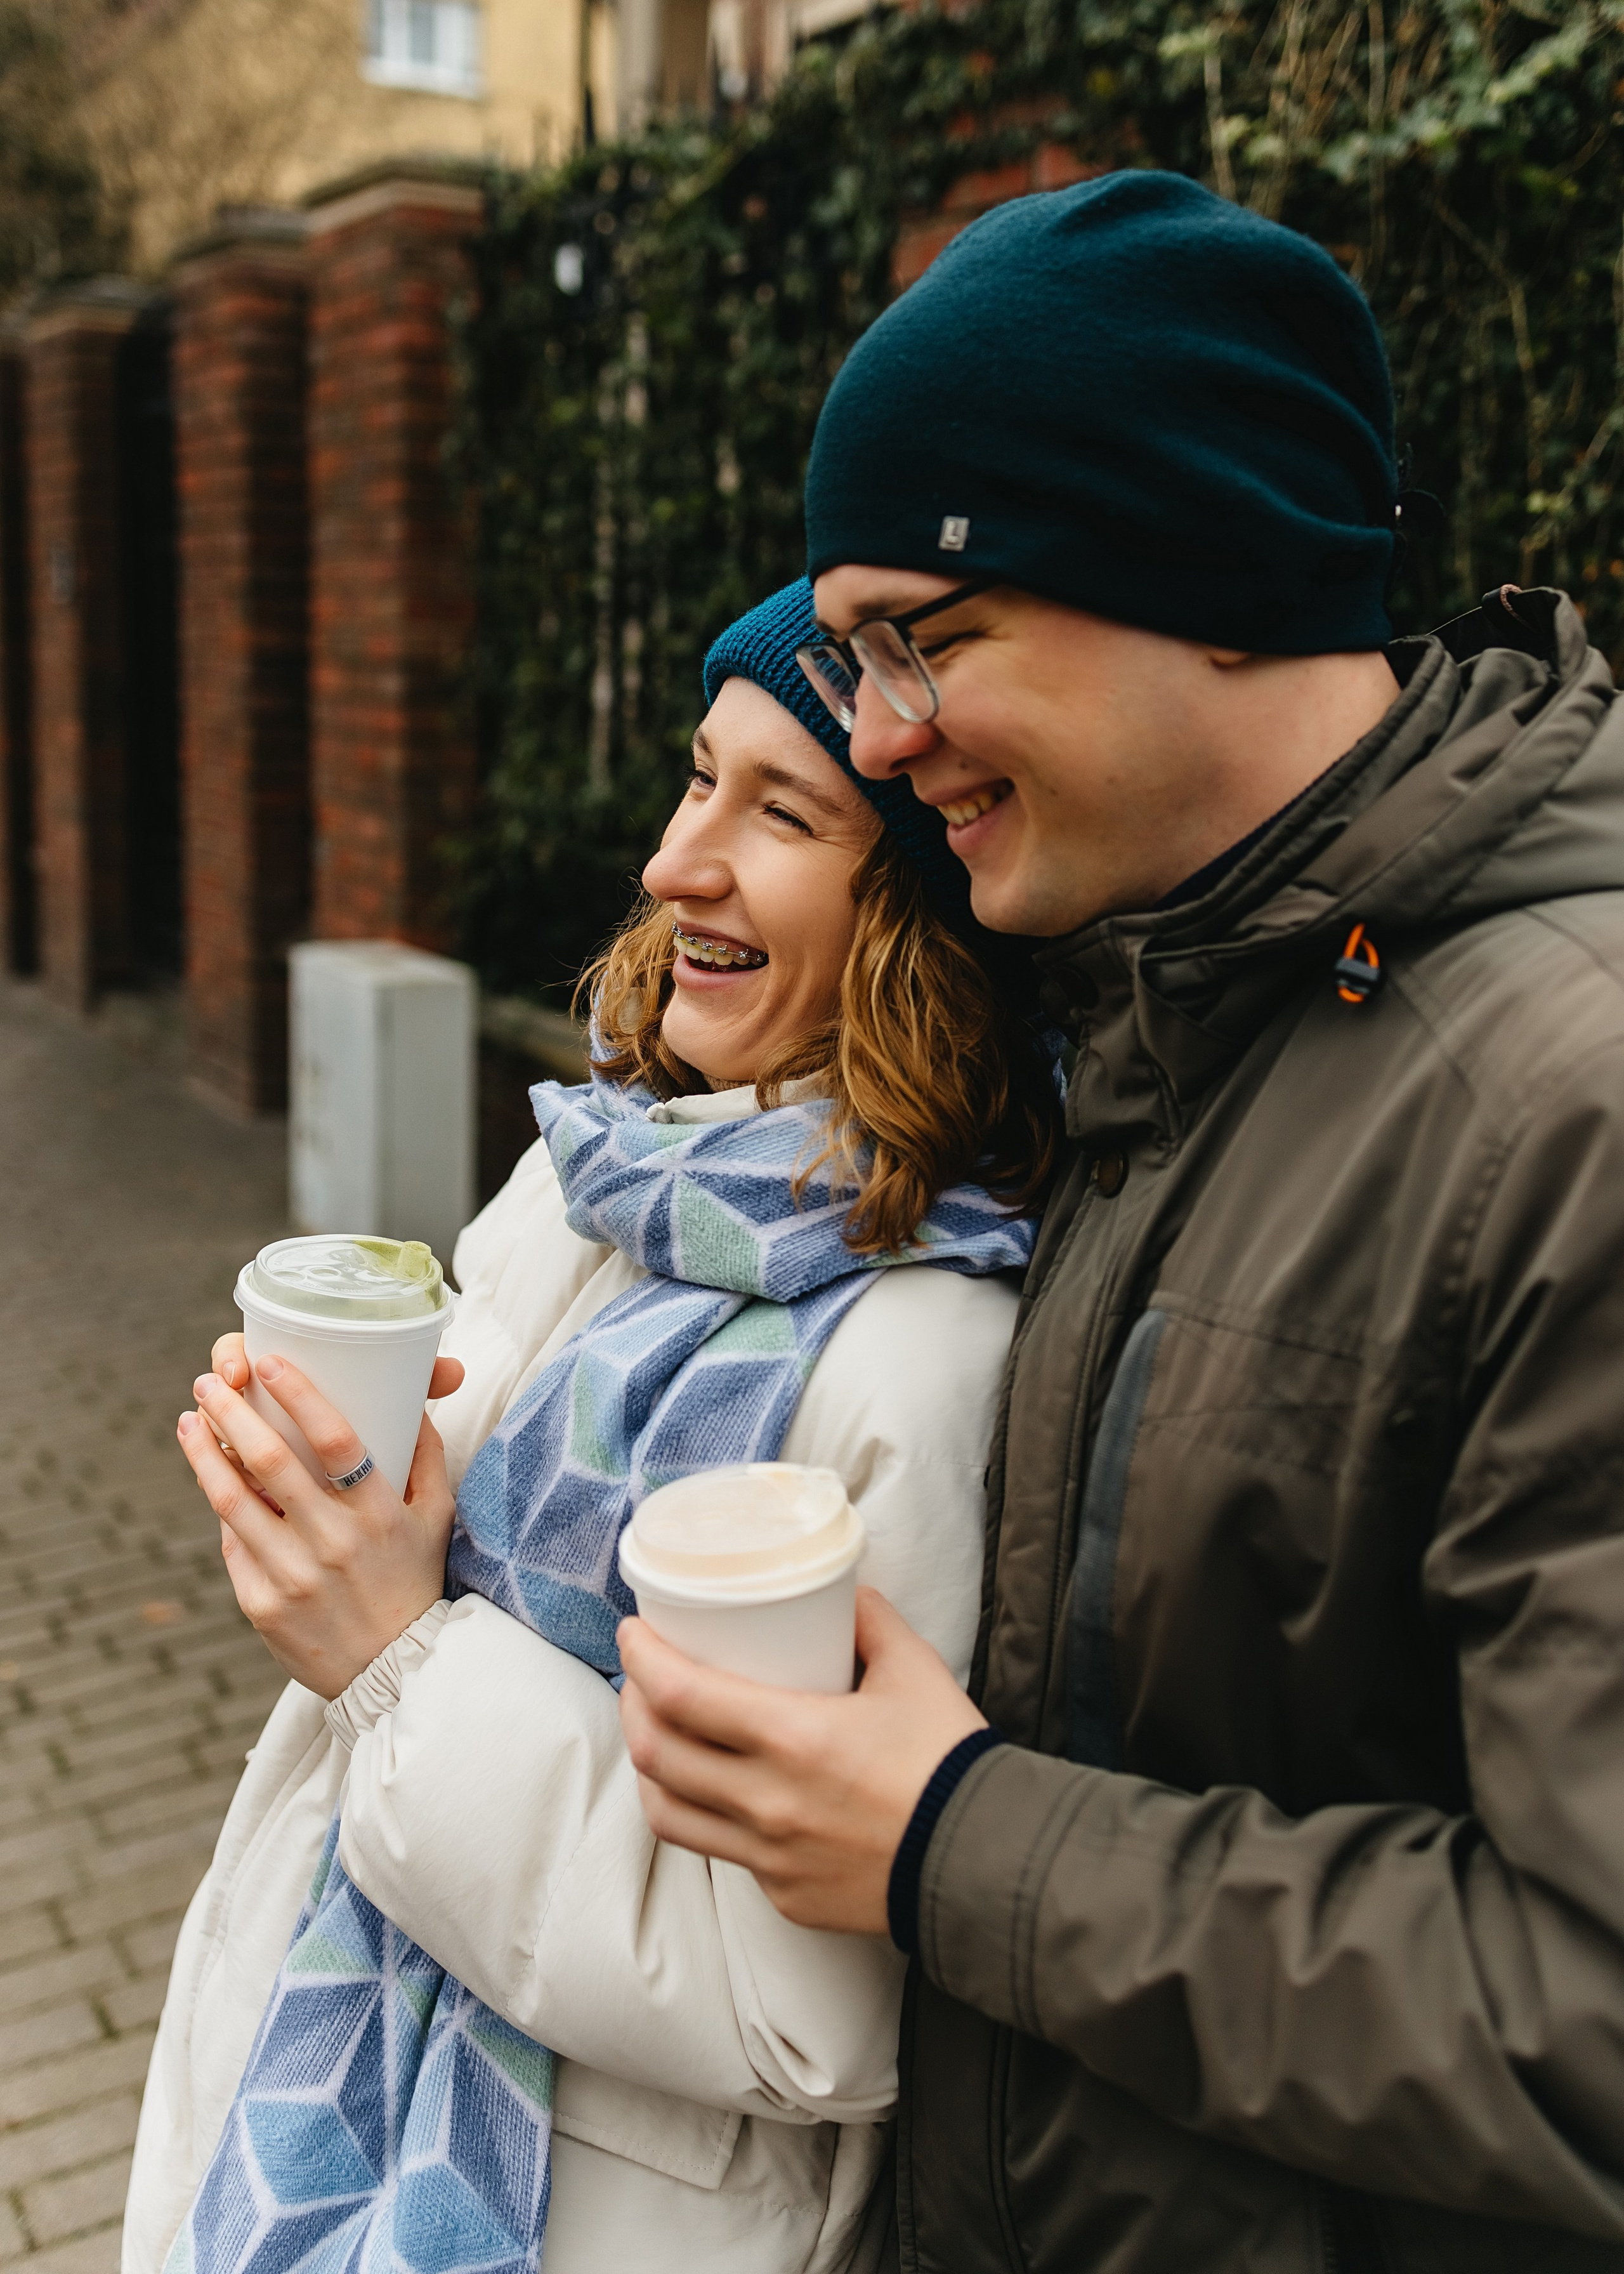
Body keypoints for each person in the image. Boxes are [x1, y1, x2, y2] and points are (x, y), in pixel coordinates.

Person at [615, 170, 1624, 2270]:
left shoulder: (1567, 1110)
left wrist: (953, 1843)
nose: (880, 734)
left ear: (1212, 575)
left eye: (929, 639)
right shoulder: (1153, 1004)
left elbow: (1588, 2027)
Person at [122, 583, 1059, 2274]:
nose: (675, 862)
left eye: (783, 813)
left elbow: (808, 2017)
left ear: (921, 911)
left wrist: (395, 1656)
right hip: (313, 2080)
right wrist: (322, 1516)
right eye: (699, 778)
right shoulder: (598, 1175)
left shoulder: (920, 1357)